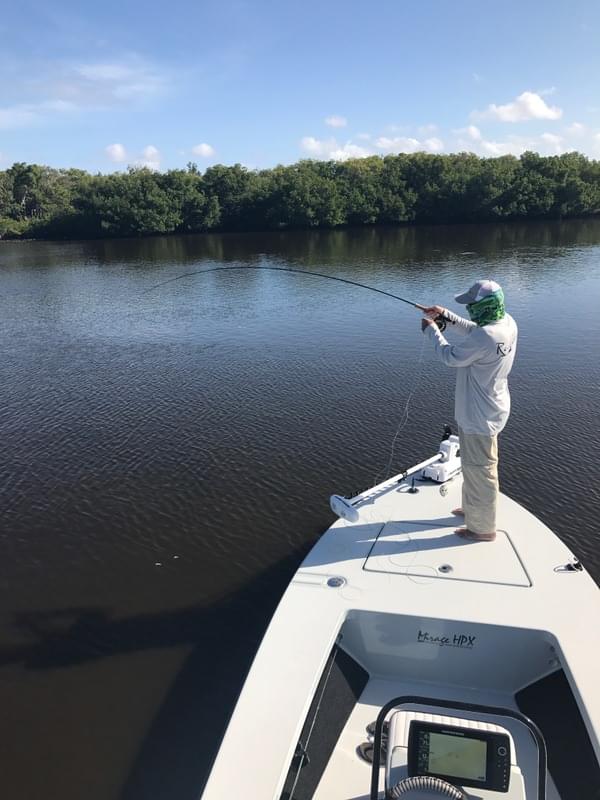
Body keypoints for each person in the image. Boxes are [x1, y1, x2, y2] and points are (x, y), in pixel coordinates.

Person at [421, 280, 518, 542]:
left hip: (479, 416)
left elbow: (450, 356)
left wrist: (432, 330)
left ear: (485, 306)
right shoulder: (506, 322)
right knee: (473, 466)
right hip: (488, 408)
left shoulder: (487, 337)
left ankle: (482, 529)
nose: (469, 309)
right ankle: (472, 510)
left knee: (481, 471)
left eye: (472, 305)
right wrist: (445, 316)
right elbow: (476, 330)